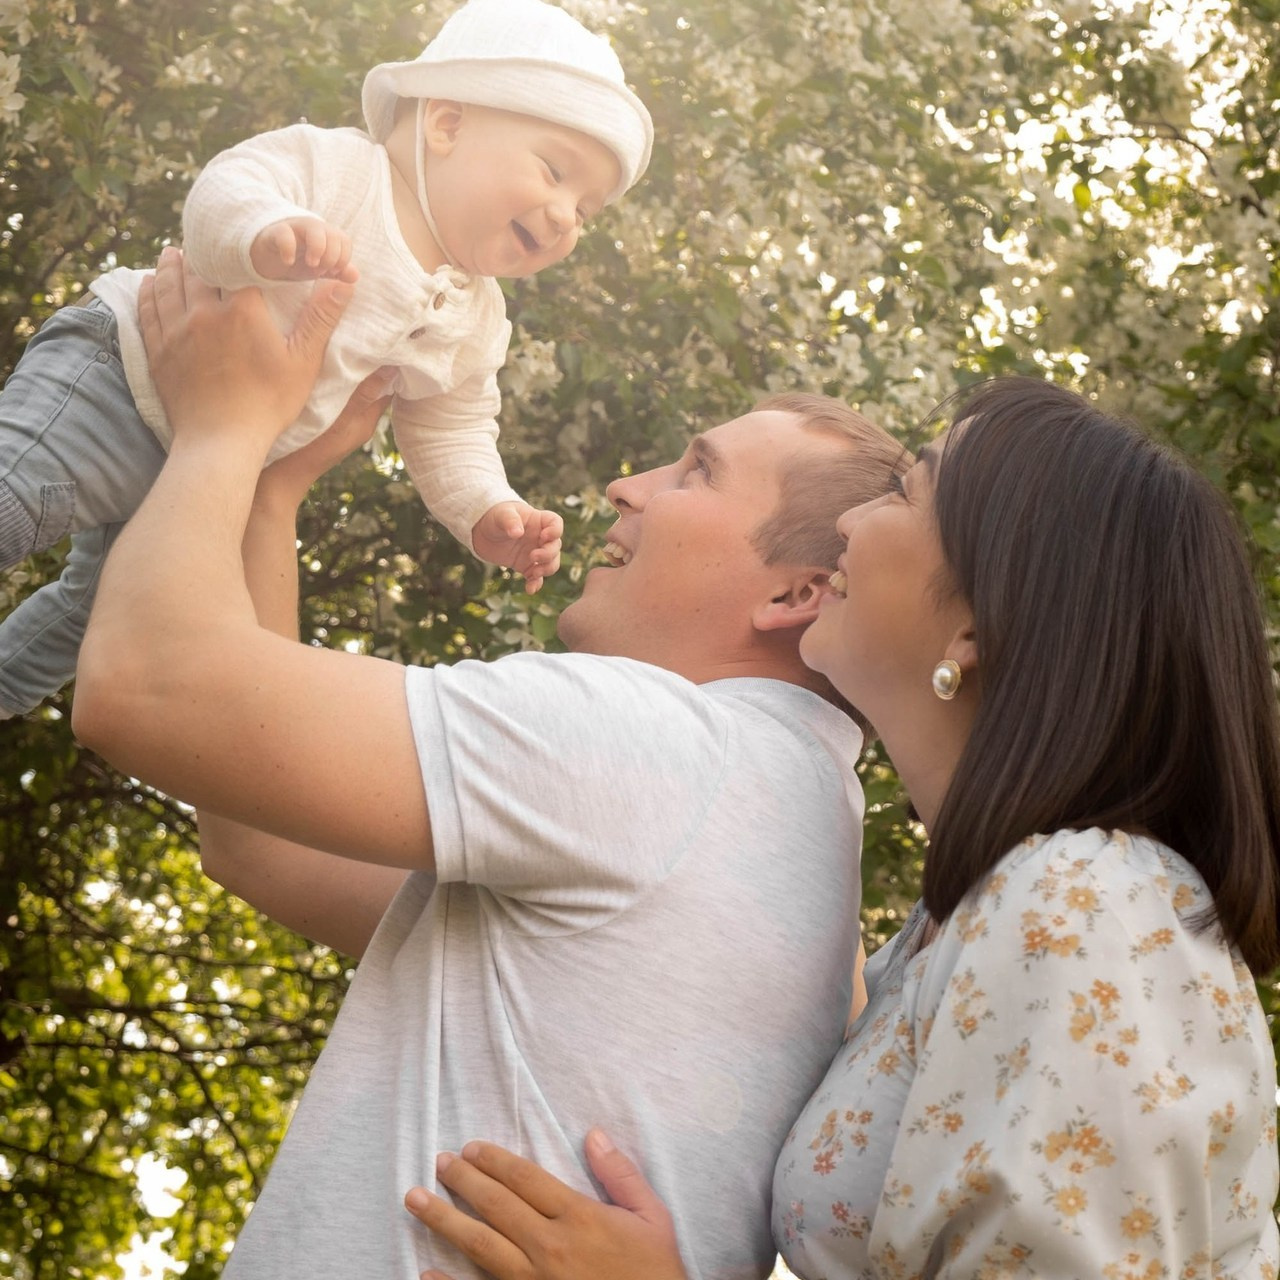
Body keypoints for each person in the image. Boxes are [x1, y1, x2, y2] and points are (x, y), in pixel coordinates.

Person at [70, 247, 912, 1279]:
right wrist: (270, 492)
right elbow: (263, 846)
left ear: (793, 596)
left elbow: (142, 687)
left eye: (693, 470)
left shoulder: (669, 748)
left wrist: (223, 423)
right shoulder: (783, 817)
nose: (627, 486)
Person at [403, 376, 1280, 1278]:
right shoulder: (950, 933)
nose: (855, 523)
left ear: (975, 623)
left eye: (907, 493)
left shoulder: (1084, 904)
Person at [0, 0, 653, 718]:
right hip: (121, 374)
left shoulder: (479, 317)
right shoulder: (344, 171)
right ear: (446, 124)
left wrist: (485, 508)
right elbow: (225, 188)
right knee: (17, 493)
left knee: (93, 618)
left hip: (204, 474)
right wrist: (263, 231)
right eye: (555, 172)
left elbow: (452, 430)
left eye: (586, 210)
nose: (566, 216)